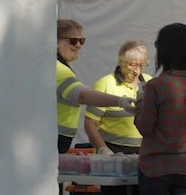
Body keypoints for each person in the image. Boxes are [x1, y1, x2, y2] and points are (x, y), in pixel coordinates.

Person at [134, 23, 186, 195]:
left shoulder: (155, 86)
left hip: (155, 167)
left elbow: (144, 127)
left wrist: (139, 103)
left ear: (165, 49)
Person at [56, 19, 134, 154]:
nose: (79, 45)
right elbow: (82, 95)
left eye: (82, 41)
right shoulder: (59, 69)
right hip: (52, 140)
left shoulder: (54, 66)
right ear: (55, 42)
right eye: (73, 41)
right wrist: (120, 101)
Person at [84, 40, 152, 195]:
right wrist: (103, 150)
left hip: (144, 152)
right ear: (121, 62)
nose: (137, 71)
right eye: (132, 65)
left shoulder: (149, 82)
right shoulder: (105, 84)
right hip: (114, 152)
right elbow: (90, 123)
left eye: (142, 65)